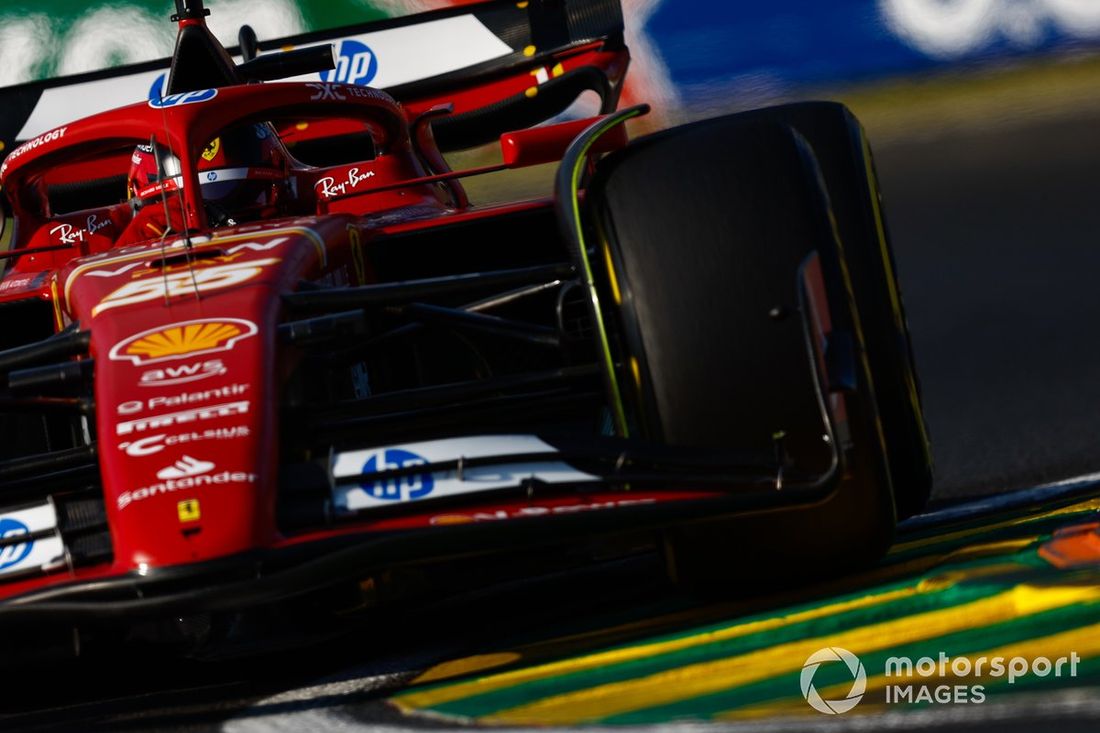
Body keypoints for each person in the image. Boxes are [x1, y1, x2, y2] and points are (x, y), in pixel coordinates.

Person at [118, 123, 288, 244]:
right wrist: (136, 241)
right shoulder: (141, 229)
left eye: (237, 201)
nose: (216, 227)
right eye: (181, 205)